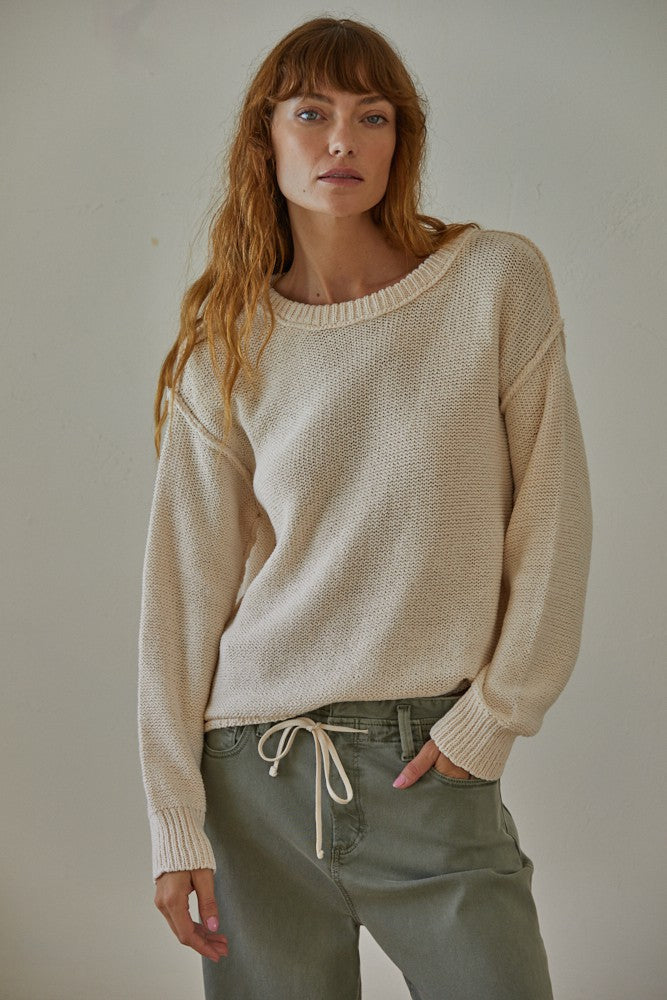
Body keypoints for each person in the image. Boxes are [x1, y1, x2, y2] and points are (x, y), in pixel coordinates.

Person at [137, 15, 593, 1000]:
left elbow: (551, 519)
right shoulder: (228, 344)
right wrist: (176, 822)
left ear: (399, 140)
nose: (341, 139)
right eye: (311, 113)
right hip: (252, 777)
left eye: (371, 116)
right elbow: (180, 599)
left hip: (426, 760)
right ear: (266, 137)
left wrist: (493, 718)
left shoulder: (492, 282)